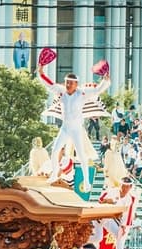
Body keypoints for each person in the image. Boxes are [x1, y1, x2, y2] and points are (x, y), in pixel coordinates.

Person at [38, 62, 111, 193]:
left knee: (82, 156)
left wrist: (105, 81)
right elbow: (49, 84)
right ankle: (55, 173)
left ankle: (87, 182)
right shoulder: (61, 91)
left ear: (76, 84)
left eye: (71, 83)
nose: (68, 85)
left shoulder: (82, 93)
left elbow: (97, 90)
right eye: (66, 82)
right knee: (55, 151)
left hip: (77, 129)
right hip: (65, 128)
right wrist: (41, 72)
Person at [94, 177, 137, 249]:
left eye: (127, 186)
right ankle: (83, 243)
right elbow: (99, 200)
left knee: (119, 235)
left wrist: (123, 226)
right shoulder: (111, 191)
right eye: (123, 186)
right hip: (100, 217)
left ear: (130, 187)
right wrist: (107, 201)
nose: (125, 189)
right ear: (120, 185)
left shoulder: (130, 199)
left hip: (110, 219)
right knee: (98, 238)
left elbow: (127, 215)